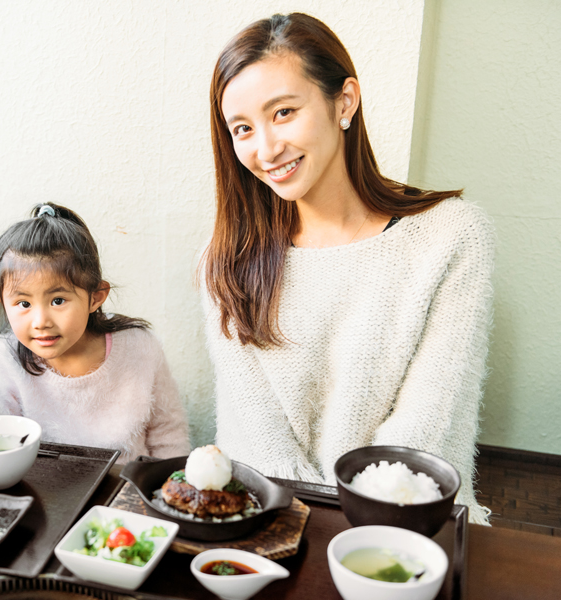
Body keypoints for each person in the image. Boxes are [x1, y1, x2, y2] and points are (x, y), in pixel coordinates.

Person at [202, 13, 493, 523]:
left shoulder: (451, 236)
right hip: (270, 524)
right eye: (242, 128)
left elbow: (428, 428)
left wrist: (349, 528)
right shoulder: (228, 261)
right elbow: (256, 437)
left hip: (405, 522)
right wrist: (307, 531)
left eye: (284, 112)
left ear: (344, 102)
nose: (266, 149)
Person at [0, 202, 190, 463]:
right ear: (3, 303)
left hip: (128, 494)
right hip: (45, 497)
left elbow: (169, 436)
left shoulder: (140, 347)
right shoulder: (1, 362)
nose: (40, 321)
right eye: (24, 304)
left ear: (95, 297)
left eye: (58, 301)